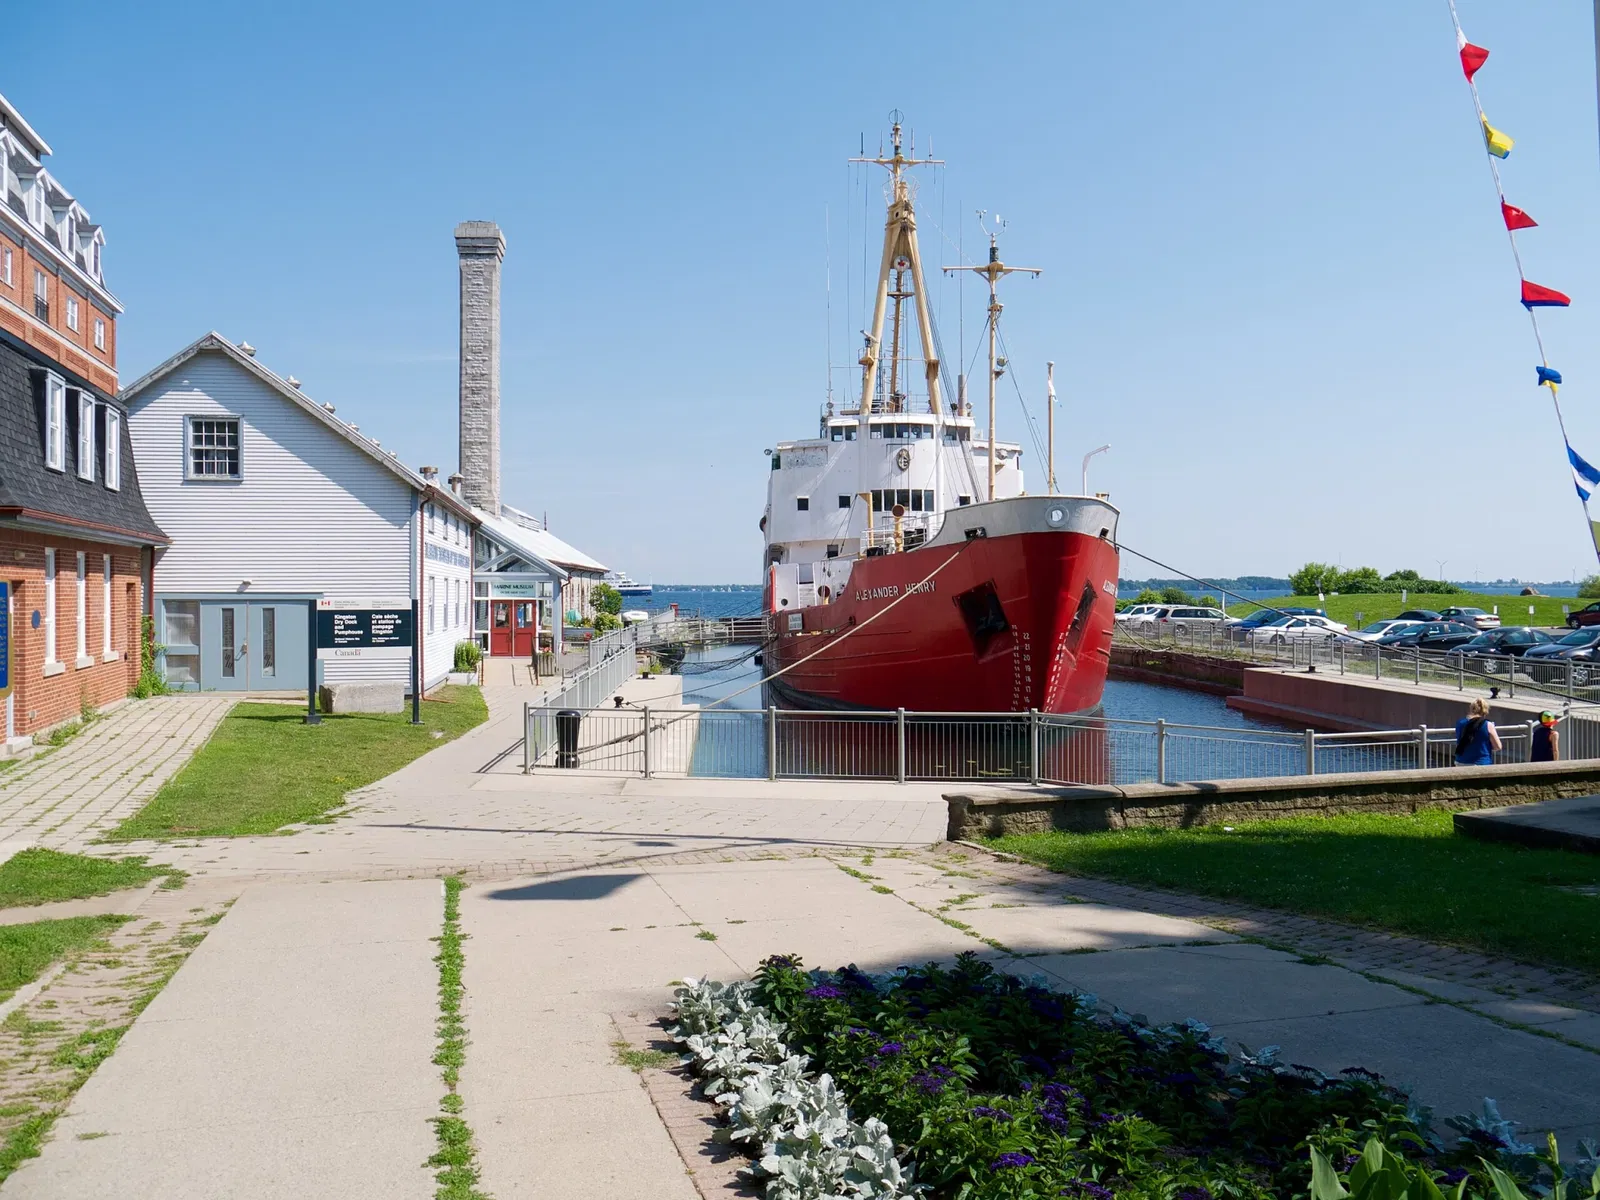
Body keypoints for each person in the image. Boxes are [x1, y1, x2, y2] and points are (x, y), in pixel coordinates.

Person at [1454, 697, 1501, 766]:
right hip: (1481, 762)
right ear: (1485, 710)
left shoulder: (1460, 723)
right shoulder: (1488, 725)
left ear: (1471, 708)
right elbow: (1498, 746)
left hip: (1461, 761)